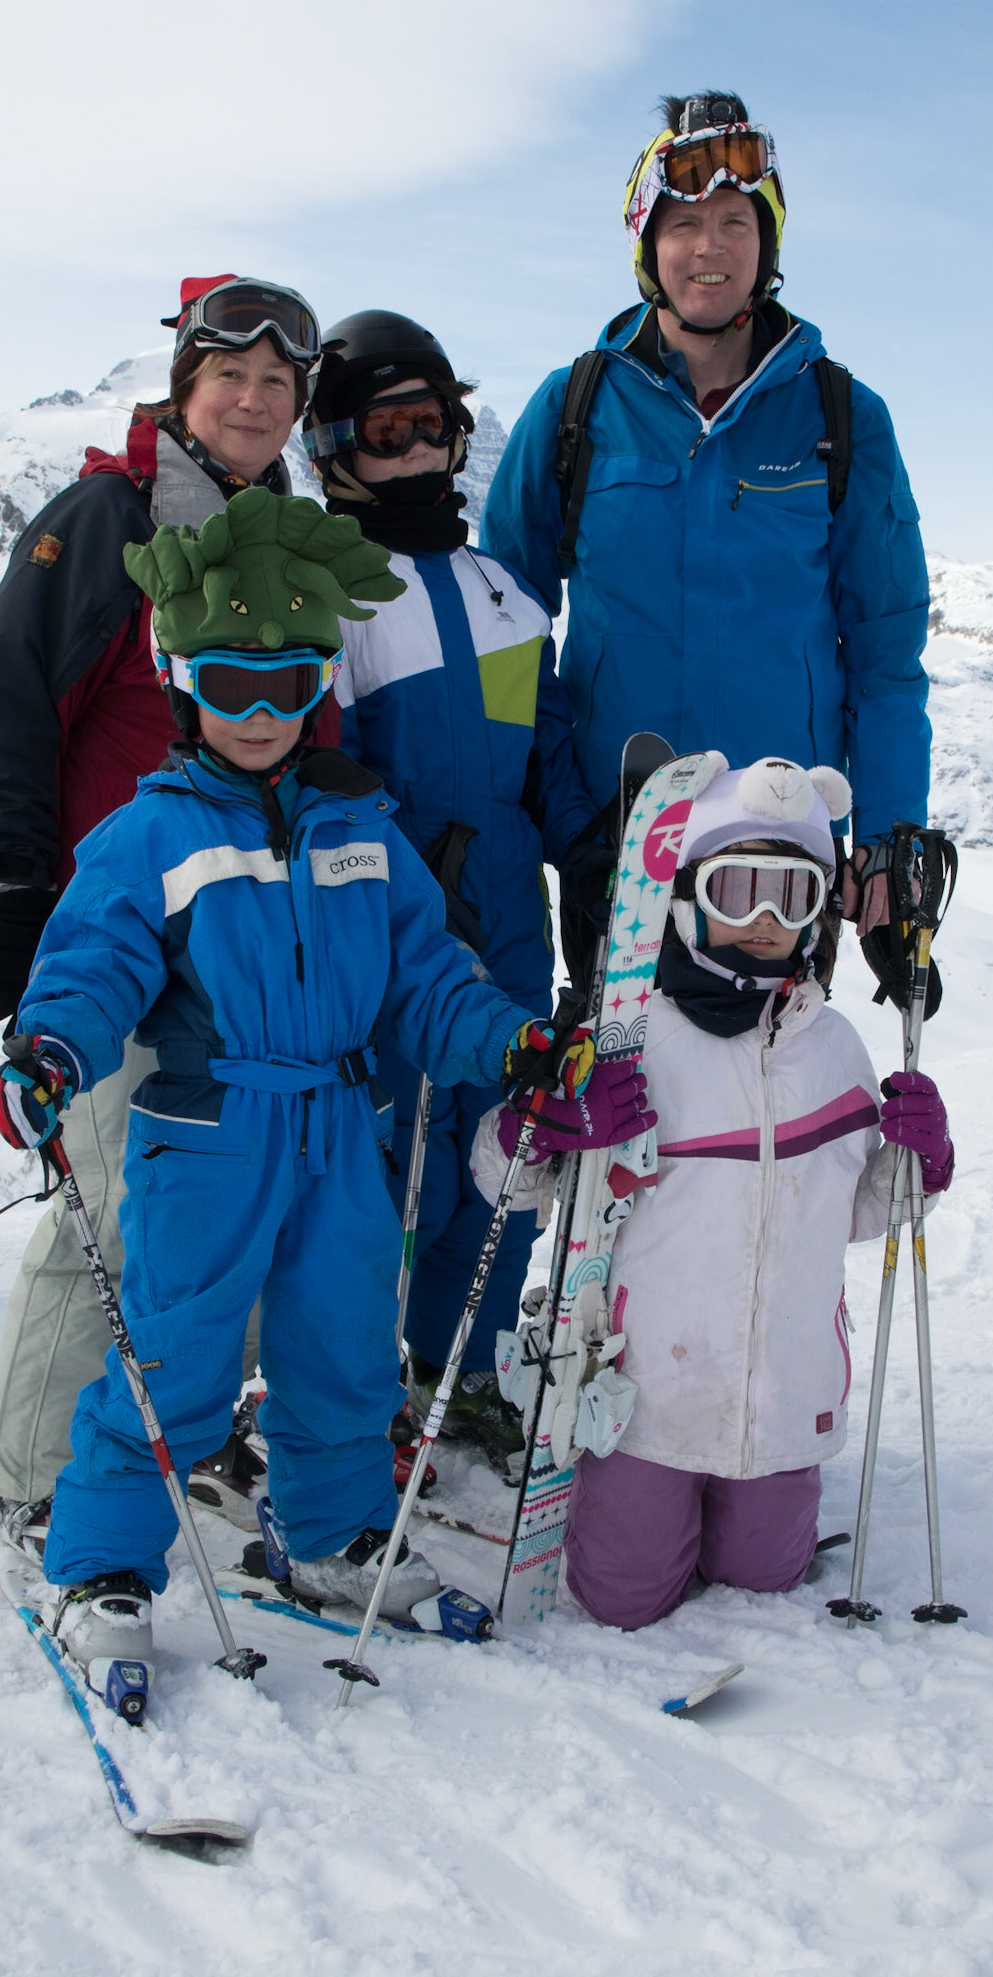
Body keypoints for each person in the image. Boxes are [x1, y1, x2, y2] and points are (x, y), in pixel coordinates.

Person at [0, 487, 645, 1673]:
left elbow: (428, 978)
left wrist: (510, 1044)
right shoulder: (154, 832)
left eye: (288, 685)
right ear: (186, 684)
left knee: (343, 1345)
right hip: (210, 1131)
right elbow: (93, 964)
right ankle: (102, 1562)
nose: (260, 713)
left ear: (316, 691)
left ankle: (329, 1531)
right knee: (175, 1353)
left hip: (347, 1128)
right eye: (231, 685)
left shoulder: (364, 831)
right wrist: (51, 1051)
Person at [0, 276, 323, 1556]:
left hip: (243, 933)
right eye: (232, 376)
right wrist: (12, 889)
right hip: (115, 922)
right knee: (111, 1206)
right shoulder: (104, 516)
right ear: (185, 384)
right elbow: (6, 701)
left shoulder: (285, 536)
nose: (254, 400)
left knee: (235, 1200)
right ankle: (33, 1466)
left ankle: (189, 1426)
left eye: (279, 384)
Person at [471, 757, 954, 1631]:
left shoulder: (833, 1048)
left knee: (763, 1581)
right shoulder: (627, 1036)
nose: (766, 920)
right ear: (688, 895)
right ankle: (626, 1511)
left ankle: (745, 1517)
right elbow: (506, 1180)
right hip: (648, 1397)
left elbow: (853, 1212)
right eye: (739, 890)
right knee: (623, 1601)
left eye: (792, 893)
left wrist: (920, 1163)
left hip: (785, 1394)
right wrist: (543, 1124)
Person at [480, 91, 933, 944]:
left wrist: (887, 834)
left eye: (736, 220)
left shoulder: (841, 415)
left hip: (784, 846)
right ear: (648, 245)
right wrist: (561, 810)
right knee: (617, 1081)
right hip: (619, 845)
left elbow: (886, 651)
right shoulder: (576, 406)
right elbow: (504, 628)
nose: (710, 247)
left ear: (767, 246)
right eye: (683, 222)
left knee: (777, 1076)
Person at [303, 312, 598, 1467]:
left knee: (501, 1150)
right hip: (390, 939)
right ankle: (356, 1387)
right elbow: (316, 768)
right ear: (336, 445)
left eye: (438, 422)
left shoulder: (505, 592)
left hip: (510, 929)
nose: (421, 447)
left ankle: (462, 1369)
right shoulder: (327, 593)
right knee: (388, 1168)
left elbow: (552, 760)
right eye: (391, 426)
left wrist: (600, 848)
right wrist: (393, 879)